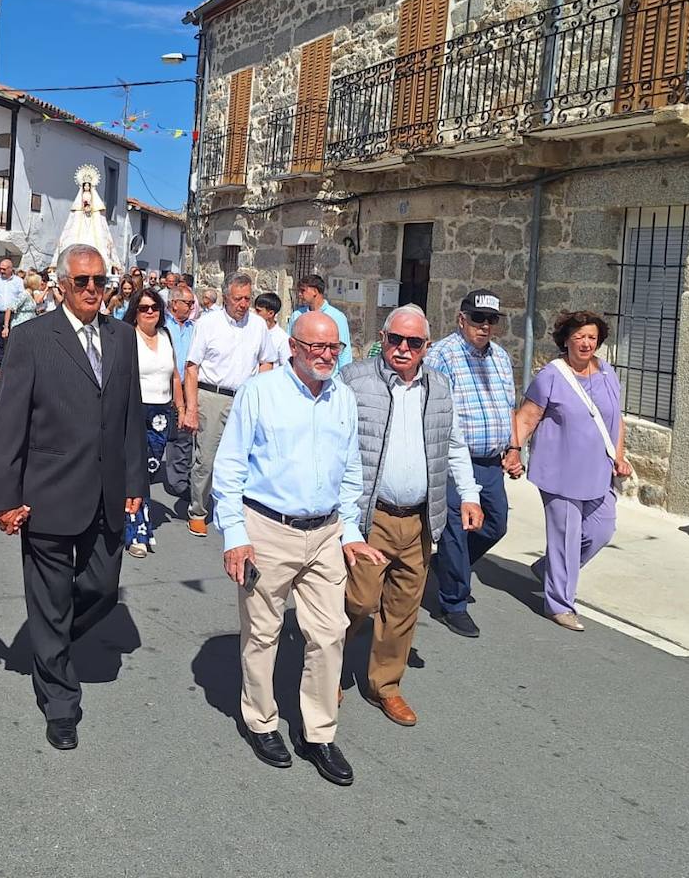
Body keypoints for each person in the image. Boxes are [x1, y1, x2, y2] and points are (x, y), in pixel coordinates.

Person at [0, 243, 148, 751]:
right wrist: (2, 497)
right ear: (61, 286)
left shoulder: (122, 337)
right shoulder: (33, 338)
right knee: (50, 601)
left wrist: (136, 484)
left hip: (107, 494)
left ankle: (48, 641)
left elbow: (130, 414)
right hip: (47, 494)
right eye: (82, 282)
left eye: (101, 281)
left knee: (101, 588)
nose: (93, 290)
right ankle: (59, 701)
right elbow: (8, 423)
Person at [213, 312, 383, 785]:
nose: (327, 356)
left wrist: (350, 532)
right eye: (317, 348)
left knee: (329, 633)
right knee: (263, 633)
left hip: (326, 532)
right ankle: (262, 722)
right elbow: (228, 470)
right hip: (267, 529)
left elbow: (351, 473)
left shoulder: (343, 399)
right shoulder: (260, 393)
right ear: (293, 347)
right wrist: (235, 536)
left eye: (335, 348)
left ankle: (318, 734)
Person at [339, 304, 482, 726]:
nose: (403, 349)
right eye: (395, 339)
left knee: (403, 607)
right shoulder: (354, 380)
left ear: (426, 346)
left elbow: (453, 445)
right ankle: (325, 669)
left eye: (413, 342)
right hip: (371, 516)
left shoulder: (439, 387)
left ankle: (385, 684)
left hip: (420, 518)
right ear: (382, 338)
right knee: (358, 601)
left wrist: (470, 495)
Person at [510, 310, 631, 632]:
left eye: (592, 337)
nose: (586, 343)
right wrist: (513, 451)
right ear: (566, 341)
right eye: (579, 337)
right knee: (566, 539)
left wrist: (619, 457)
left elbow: (616, 421)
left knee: (601, 531)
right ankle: (560, 605)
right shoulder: (552, 375)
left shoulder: (607, 373)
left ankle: (548, 568)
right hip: (559, 471)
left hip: (598, 471)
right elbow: (526, 417)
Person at [425, 289, 521, 638]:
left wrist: (514, 447)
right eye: (478, 319)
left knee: (495, 525)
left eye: (491, 320)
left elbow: (509, 406)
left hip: (490, 461)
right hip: (453, 460)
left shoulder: (500, 358)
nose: (485, 326)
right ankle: (453, 603)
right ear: (461, 319)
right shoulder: (442, 356)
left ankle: (448, 566)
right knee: (456, 529)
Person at [182, 273, 275, 538]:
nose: (243, 304)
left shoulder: (258, 326)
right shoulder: (208, 324)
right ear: (226, 298)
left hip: (245, 397)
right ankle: (198, 511)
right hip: (212, 396)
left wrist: (261, 392)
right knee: (207, 459)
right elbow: (192, 367)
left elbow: (266, 361)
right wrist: (191, 408)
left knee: (244, 459)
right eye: (238, 299)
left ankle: (235, 511)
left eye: (247, 298)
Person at [123, 287, 183, 558]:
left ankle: (138, 520)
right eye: (144, 308)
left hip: (160, 413)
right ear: (135, 311)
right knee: (134, 470)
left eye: (155, 307)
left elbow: (175, 377)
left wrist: (181, 407)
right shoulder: (127, 336)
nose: (150, 312)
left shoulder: (166, 335)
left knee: (149, 470)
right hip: (134, 409)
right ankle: (137, 529)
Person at [56, 163, 120, 268]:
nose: (86, 187)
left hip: (92, 218)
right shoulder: (78, 202)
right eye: (84, 185)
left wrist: (90, 207)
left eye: (87, 185)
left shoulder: (95, 200)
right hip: (80, 219)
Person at [287, 275, 353, 369]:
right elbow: (289, 346)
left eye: (303, 291)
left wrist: (343, 377)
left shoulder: (337, 317)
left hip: (328, 374)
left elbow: (344, 351)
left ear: (315, 291)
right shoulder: (296, 316)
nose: (299, 295)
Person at [0, 257, 22, 372]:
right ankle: (0, 363)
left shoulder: (18, 281)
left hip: (13, 314)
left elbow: (22, 296)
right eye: (0, 268)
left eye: (4, 269)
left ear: (11, 269)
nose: (1, 271)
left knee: (12, 339)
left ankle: (11, 363)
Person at [164, 285, 197, 379]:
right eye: (189, 303)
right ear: (175, 304)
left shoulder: (194, 327)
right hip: (165, 384)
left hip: (186, 385)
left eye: (193, 303)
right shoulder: (162, 324)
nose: (192, 308)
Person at [253, 291, 289, 368]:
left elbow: (285, 367)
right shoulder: (251, 331)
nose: (254, 313)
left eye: (258, 311)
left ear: (270, 313)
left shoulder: (282, 339)